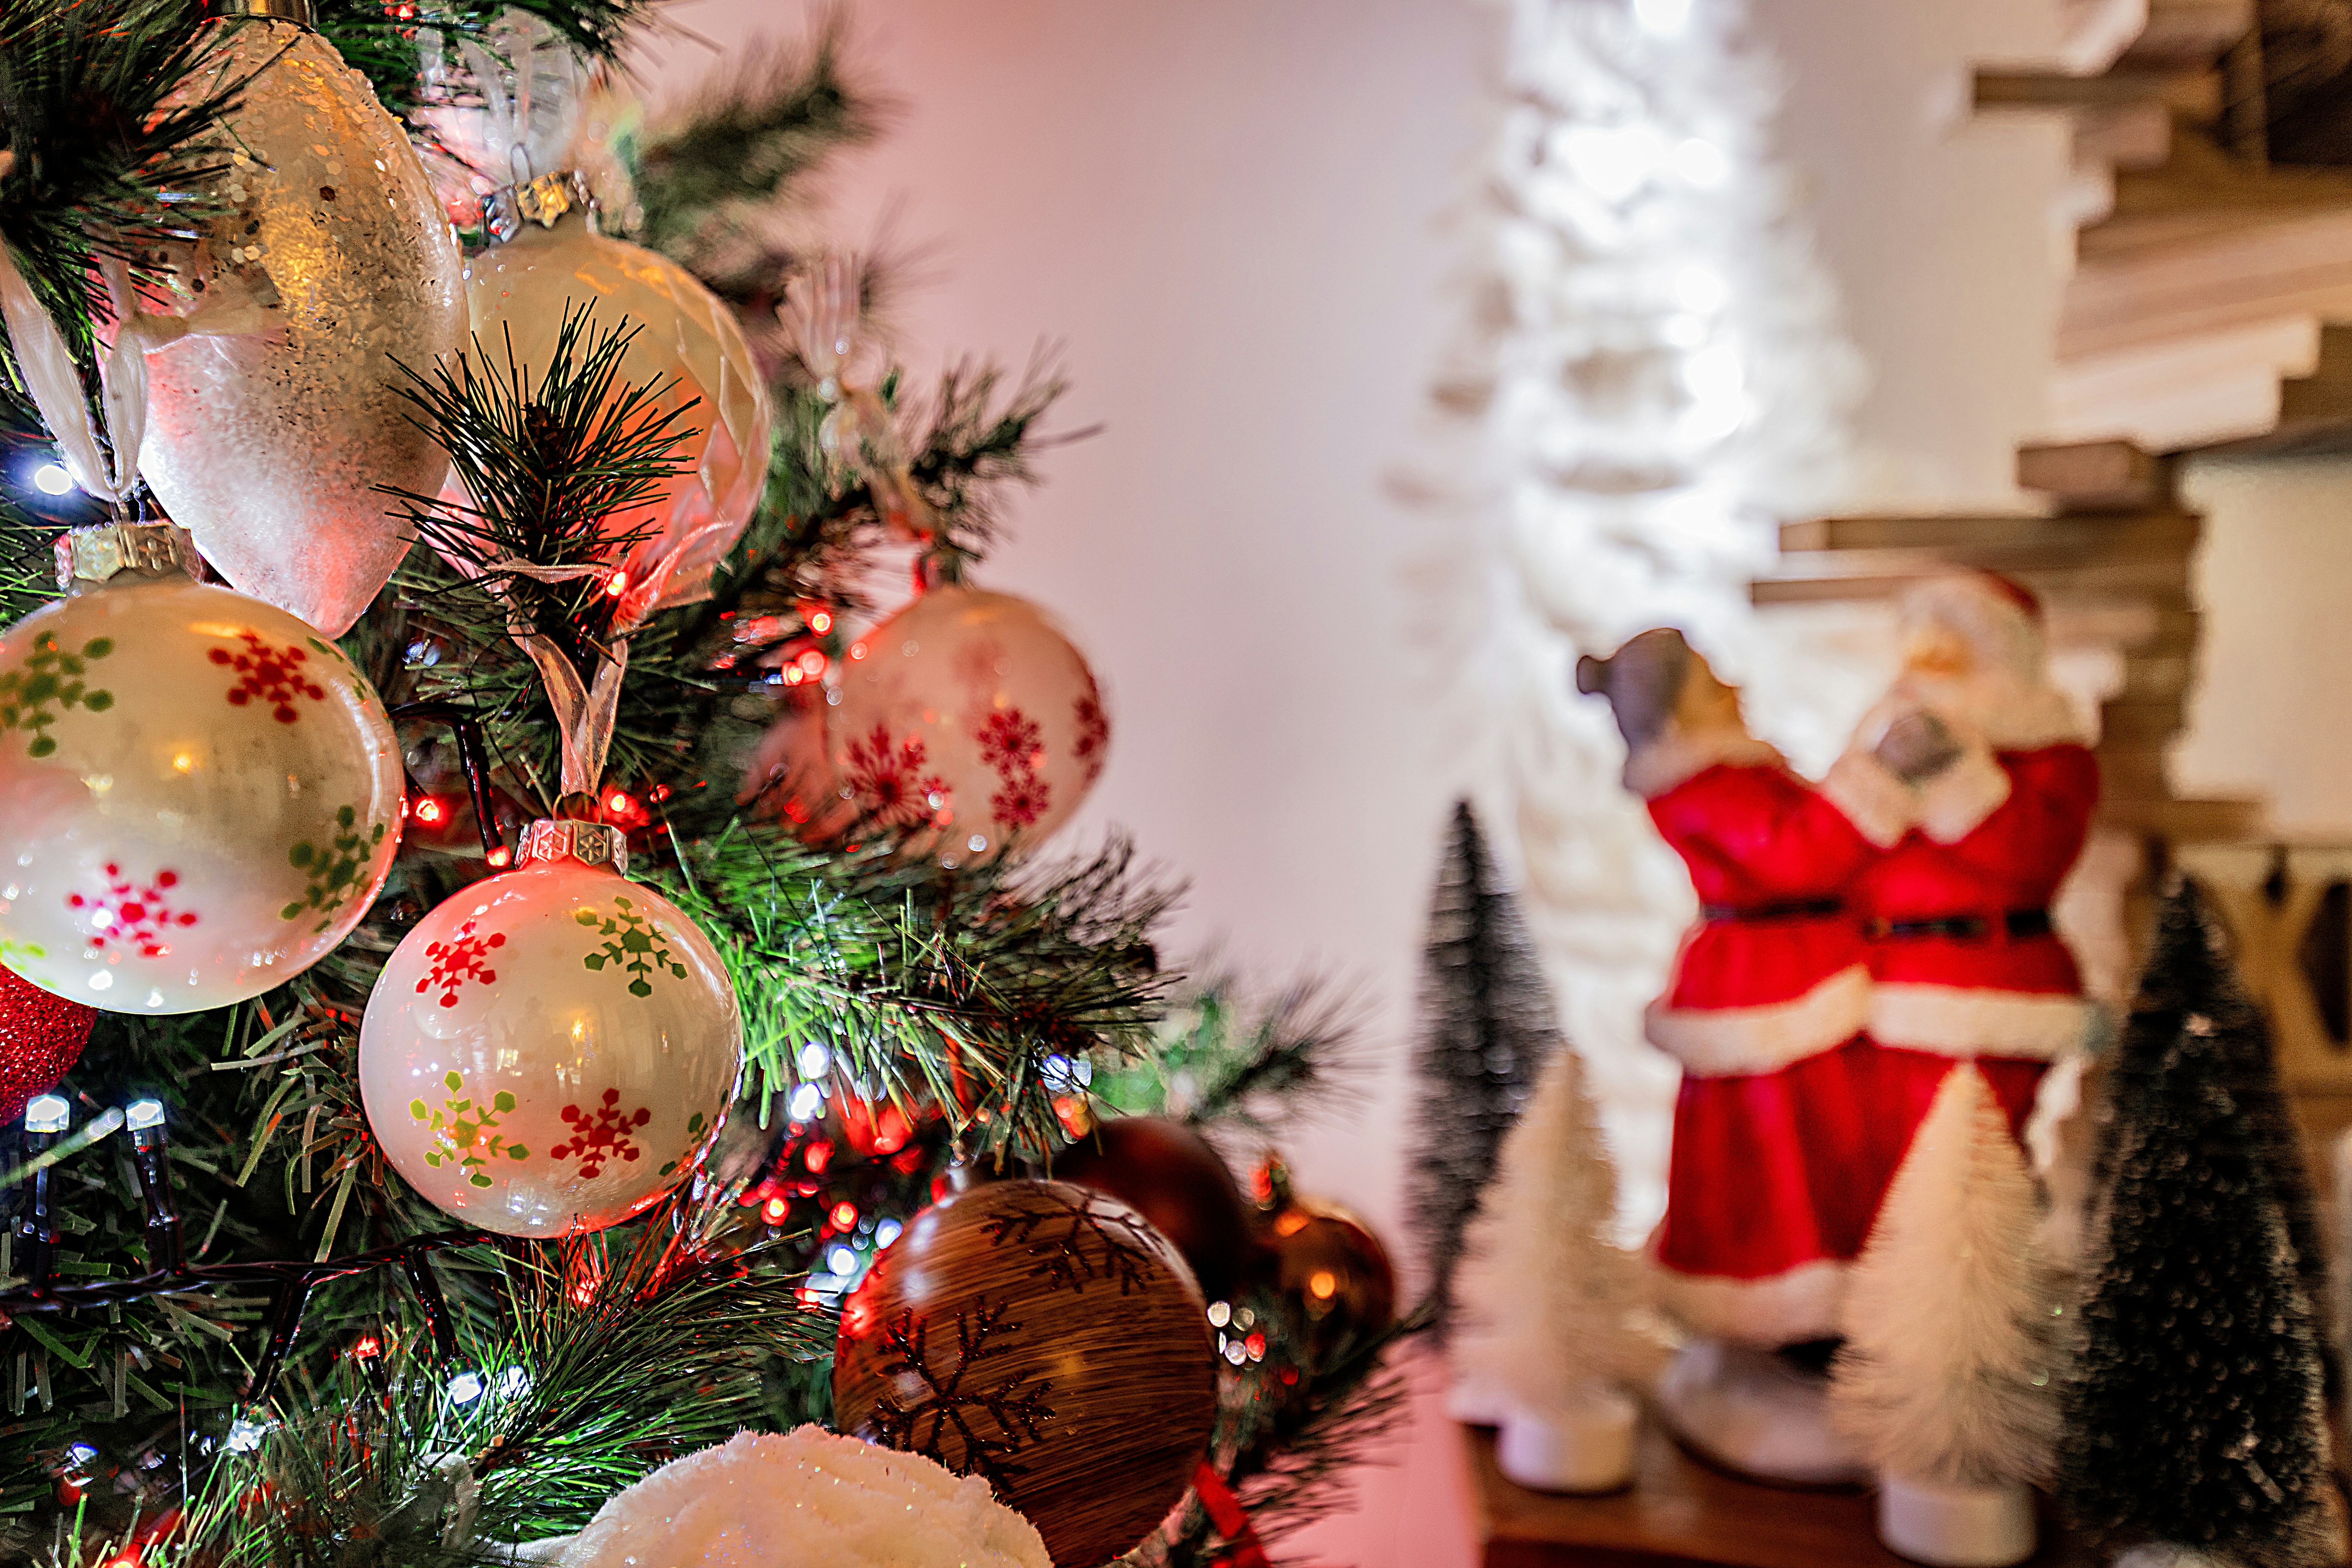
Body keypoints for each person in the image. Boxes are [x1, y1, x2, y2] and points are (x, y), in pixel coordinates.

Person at [1578, 629, 1907, 1351]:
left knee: (1821, 1136)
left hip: (1793, 971)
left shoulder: (1730, 775)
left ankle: (1820, 1289)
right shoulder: (1702, 788)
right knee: (1785, 1141)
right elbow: (1796, 857)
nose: (1733, 687)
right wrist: (1872, 778)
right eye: (1710, 681)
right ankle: (1792, 1300)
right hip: (1768, 981)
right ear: (1679, 712)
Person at [1837, 573, 2099, 1203]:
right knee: (1882, 1188)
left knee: (1970, 1184)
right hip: (1880, 989)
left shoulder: (2052, 755)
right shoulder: (1881, 746)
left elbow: (2030, 858)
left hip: (1989, 987)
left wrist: (1951, 769)